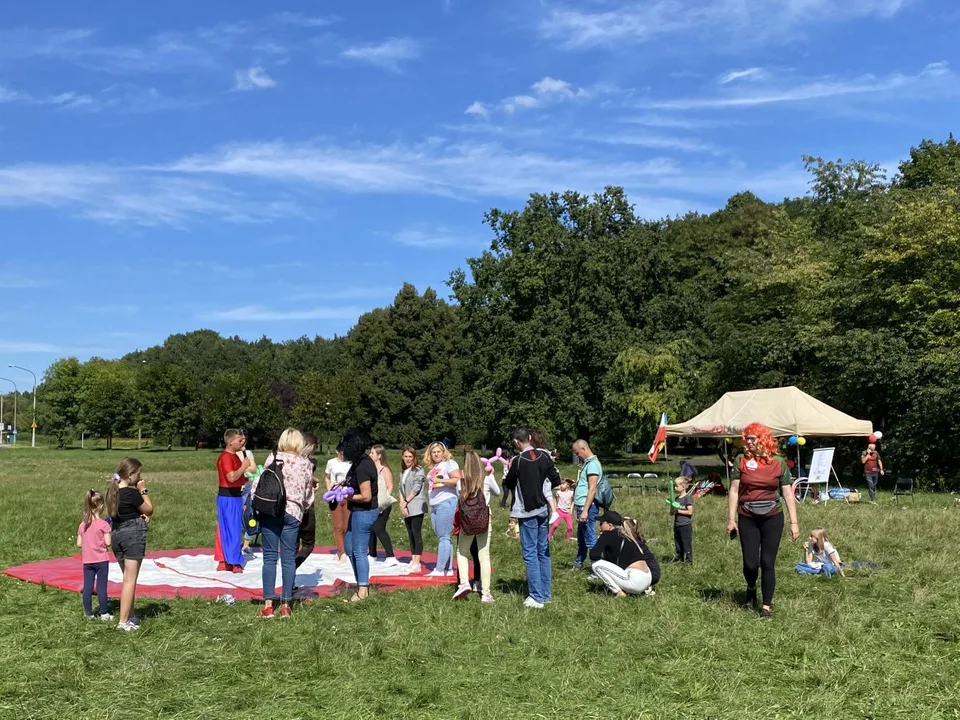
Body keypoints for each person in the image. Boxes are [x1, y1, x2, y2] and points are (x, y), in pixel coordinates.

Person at [727, 422, 800, 620]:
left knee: (767, 562)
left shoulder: (778, 462)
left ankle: (766, 606)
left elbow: (787, 492)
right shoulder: (741, 460)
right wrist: (731, 519)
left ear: (763, 440)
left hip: (772, 517)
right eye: (746, 439)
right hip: (747, 516)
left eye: (752, 438)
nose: (748, 442)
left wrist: (794, 523)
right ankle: (751, 588)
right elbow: (734, 491)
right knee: (750, 564)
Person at [253, 428, 315, 619]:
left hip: (271, 510)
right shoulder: (306, 463)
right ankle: (286, 604)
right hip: (293, 512)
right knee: (288, 558)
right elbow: (308, 495)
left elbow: (259, 483)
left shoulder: (273, 459)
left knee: (269, 557)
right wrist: (301, 508)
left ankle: (268, 604)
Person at [504, 428, 561, 609]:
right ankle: (546, 594)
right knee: (543, 552)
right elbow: (556, 479)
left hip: (526, 512)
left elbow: (508, 483)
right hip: (544, 509)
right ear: (529, 438)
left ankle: (536, 597)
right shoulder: (545, 456)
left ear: (516, 442)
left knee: (530, 554)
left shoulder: (518, 461)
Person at [105, 457, 153, 631]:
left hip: (117, 534)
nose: (139, 477)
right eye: (138, 474)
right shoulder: (132, 494)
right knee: (129, 580)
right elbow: (149, 509)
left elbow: (124, 512)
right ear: (130, 474)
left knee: (127, 577)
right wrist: (143, 490)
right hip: (132, 536)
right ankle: (123, 622)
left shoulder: (113, 493)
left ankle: (130, 615)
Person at [453, 452, 498, 603]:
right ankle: (486, 593)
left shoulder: (461, 482)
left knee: (462, 551)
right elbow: (498, 493)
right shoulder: (486, 479)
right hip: (484, 520)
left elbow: (458, 498)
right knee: (484, 555)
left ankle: (464, 582)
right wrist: (491, 475)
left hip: (467, 521)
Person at [342, 430, 379, 602]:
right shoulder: (357, 463)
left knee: (358, 550)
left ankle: (363, 590)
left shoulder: (364, 466)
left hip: (364, 512)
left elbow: (366, 496)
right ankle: (360, 582)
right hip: (356, 511)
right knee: (349, 547)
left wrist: (347, 496)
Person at [589, 511, 660, 597]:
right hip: (648, 578)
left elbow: (593, 555)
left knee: (596, 565)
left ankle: (618, 592)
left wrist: (601, 540)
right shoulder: (626, 535)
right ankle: (635, 590)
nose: (599, 526)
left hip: (636, 580)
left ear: (610, 525)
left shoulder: (607, 535)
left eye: (601, 523)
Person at [215, 429, 255, 572]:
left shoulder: (234, 457)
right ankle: (231, 560)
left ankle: (225, 559)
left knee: (227, 527)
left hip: (233, 495)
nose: (243, 442)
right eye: (240, 440)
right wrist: (244, 467)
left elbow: (237, 478)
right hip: (228, 496)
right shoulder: (226, 457)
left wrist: (247, 477)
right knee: (231, 528)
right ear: (231, 442)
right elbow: (231, 477)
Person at [423, 441, 462, 578]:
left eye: (439, 451)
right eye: (433, 452)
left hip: (446, 502)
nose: (436, 454)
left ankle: (439, 569)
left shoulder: (450, 463)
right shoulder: (436, 466)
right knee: (443, 537)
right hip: (435, 504)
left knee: (444, 537)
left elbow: (457, 479)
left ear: (444, 452)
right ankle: (448, 568)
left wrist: (440, 481)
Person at [77, 489, 112, 621]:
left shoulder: (82, 525)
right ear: (100, 506)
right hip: (101, 560)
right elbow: (108, 543)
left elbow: (79, 544)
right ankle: (104, 613)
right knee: (102, 587)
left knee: (87, 587)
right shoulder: (104, 525)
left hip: (87, 561)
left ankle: (88, 613)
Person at [571, 439, 602, 569]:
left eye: (577, 453)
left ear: (584, 449)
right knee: (582, 538)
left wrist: (585, 510)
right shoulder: (587, 464)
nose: (577, 456)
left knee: (590, 538)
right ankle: (579, 562)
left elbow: (592, 489)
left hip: (587, 507)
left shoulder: (593, 465)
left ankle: (598, 568)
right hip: (582, 506)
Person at [368, 445, 398, 566]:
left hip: (383, 504)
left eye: (372, 453)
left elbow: (390, 486)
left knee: (379, 528)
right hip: (372, 503)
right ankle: (372, 554)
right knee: (370, 529)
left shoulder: (384, 470)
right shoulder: (371, 469)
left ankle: (390, 556)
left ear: (379, 455)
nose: (370, 455)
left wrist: (385, 499)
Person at [399, 447, 427, 573]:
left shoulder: (419, 470)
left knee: (416, 532)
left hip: (416, 505)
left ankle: (417, 561)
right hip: (406, 505)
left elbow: (416, 488)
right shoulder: (403, 471)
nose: (408, 459)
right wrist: (402, 504)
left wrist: (406, 502)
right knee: (410, 533)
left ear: (414, 457)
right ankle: (413, 558)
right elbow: (400, 488)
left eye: (410, 456)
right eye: (406, 456)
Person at [294, 433, 320, 569]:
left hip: (289, 505)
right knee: (308, 543)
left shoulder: (289, 460)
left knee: (292, 542)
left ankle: (289, 575)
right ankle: (292, 568)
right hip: (305, 505)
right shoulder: (309, 463)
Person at [324, 444, 352, 562]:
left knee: (346, 525)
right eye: (341, 451)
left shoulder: (351, 463)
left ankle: (344, 549)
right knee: (337, 526)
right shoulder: (331, 462)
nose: (343, 453)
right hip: (334, 496)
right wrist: (329, 489)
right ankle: (341, 551)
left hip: (347, 496)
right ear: (337, 451)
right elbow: (326, 477)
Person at [671, 476, 694, 564]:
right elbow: (671, 513)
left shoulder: (687, 498)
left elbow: (690, 512)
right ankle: (680, 559)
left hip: (685, 525)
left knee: (686, 544)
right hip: (677, 524)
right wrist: (672, 507)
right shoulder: (676, 499)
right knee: (678, 544)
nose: (675, 488)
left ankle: (689, 561)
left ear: (683, 487)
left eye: (677, 486)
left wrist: (678, 510)